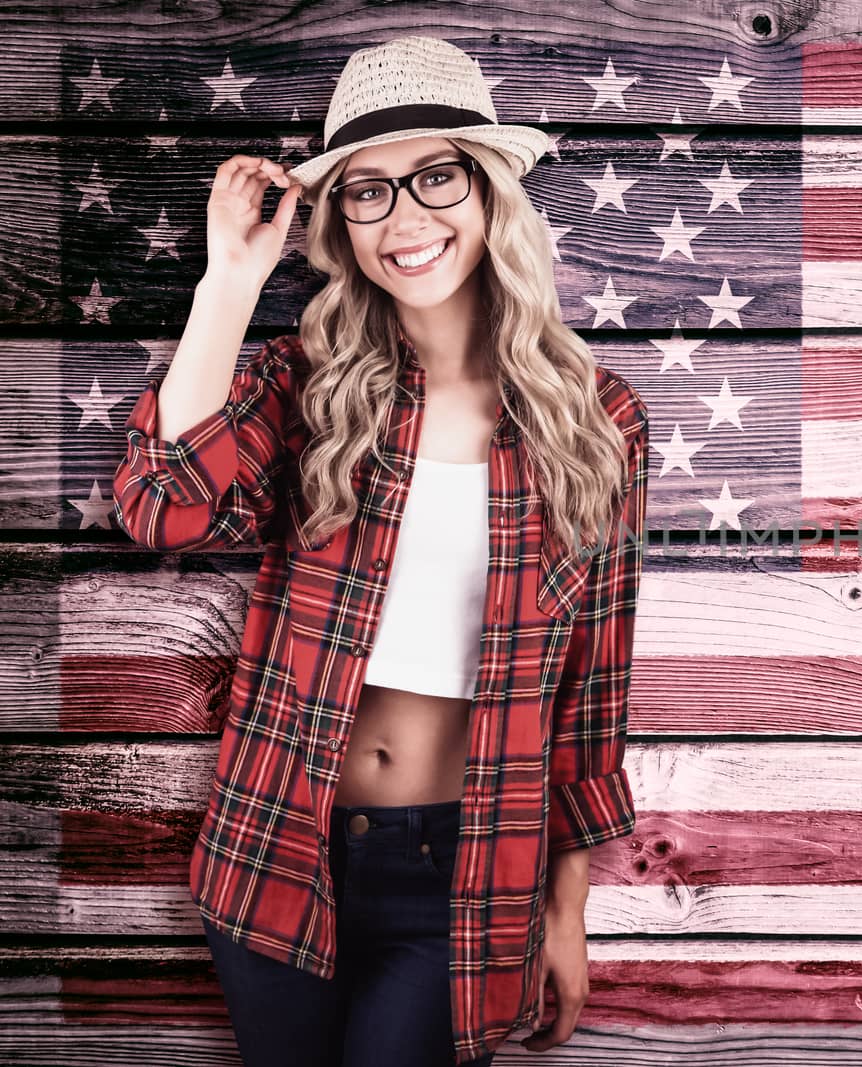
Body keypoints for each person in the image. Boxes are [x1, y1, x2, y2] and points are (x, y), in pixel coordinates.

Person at [110, 35, 648, 1067]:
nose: (403, 218)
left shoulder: (599, 419)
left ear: (488, 192)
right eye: (364, 191)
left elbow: (592, 692)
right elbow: (159, 507)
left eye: (434, 176)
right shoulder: (307, 383)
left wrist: (568, 908)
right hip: (277, 843)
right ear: (340, 222)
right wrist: (231, 276)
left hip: (469, 867)